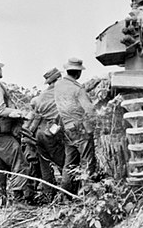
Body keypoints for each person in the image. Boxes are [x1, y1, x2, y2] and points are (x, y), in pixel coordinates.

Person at [0, 58, 33, 205]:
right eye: (0, 68)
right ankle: (19, 200)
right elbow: (0, 109)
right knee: (20, 163)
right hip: (0, 135)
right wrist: (19, 113)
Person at [54, 58, 97, 195]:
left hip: (67, 128)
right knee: (87, 160)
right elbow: (89, 110)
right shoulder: (78, 90)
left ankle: (66, 194)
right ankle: (88, 193)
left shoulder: (58, 85)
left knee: (70, 163)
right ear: (78, 73)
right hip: (80, 128)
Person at [23, 67, 65, 203]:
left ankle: (48, 195)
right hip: (53, 132)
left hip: (39, 135)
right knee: (65, 163)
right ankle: (68, 194)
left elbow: (34, 116)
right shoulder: (60, 93)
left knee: (44, 165)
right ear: (58, 79)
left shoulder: (40, 97)